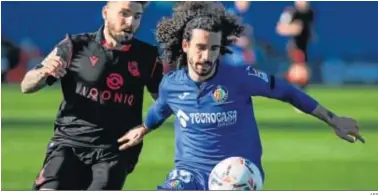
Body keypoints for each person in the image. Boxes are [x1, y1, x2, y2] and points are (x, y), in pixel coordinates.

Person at [117, 2, 365, 190]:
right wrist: (143, 129)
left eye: (214, 48)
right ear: (185, 46)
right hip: (189, 174)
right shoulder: (171, 84)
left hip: (238, 174)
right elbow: (160, 109)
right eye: (201, 48)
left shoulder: (240, 77)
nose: (207, 56)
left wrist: (333, 119)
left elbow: (288, 91)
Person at [21, 1, 163, 190]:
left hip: (116, 150)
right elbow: (26, 85)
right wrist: (43, 72)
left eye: (137, 16)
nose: (131, 23)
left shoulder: (147, 56)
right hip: (68, 144)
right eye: (124, 14)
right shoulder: (74, 46)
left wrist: (146, 128)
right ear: (106, 12)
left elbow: (165, 101)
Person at [276, 1, 315, 90]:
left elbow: (302, 28)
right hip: (294, 47)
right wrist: (293, 28)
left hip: (304, 46)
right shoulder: (291, 13)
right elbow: (280, 29)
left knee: (302, 73)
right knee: (297, 72)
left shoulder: (309, 13)